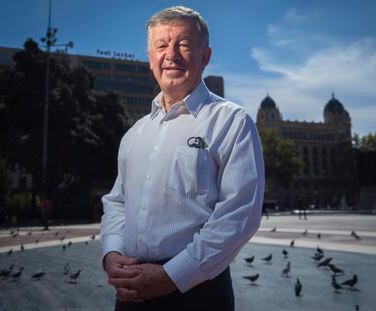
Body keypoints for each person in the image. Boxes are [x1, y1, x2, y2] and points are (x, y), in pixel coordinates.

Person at [100, 6, 265, 311]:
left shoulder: (232, 122)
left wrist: (172, 276)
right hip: (131, 291)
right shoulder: (134, 134)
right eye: (161, 45)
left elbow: (239, 214)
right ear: (151, 59)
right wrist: (111, 255)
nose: (171, 55)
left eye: (184, 44)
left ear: (205, 56)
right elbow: (117, 202)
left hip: (198, 292)